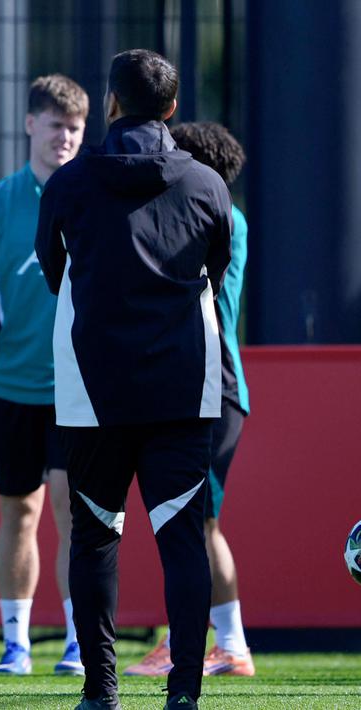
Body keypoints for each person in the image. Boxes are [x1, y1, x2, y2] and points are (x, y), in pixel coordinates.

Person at [34, 49, 233, 710]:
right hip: (182, 388)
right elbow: (214, 268)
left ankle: (101, 692)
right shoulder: (207, 185)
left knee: (93, 540)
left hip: (92, 390)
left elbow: (51, 268)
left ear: (110, 103)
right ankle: (183, 695)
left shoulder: (66, 183)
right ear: (172, 110)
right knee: (181, 539)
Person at [0, 74, 89, 677]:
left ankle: (80, 640)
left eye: (75, 129)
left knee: (70, 506)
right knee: (19, 512)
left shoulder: (95, 198)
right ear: (30, 124)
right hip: (12, 388)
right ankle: (16, 642)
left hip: (81, 390)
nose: (64, 138)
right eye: (55, 125)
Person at [125, 121, 254, 679]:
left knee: (197, 523)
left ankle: (225, 644)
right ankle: (211, 640)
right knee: (197, 521)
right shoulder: (221, 214)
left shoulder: (218, 216)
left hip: (215, 386)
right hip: (208, 385)